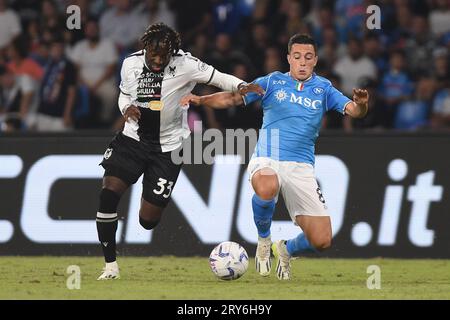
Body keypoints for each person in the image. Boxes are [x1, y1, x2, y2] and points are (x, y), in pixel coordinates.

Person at [181, 34, 369, 280]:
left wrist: (362, 104)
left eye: (308, 57)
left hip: (301, 167)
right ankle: (263, 241)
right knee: (268, 185)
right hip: (267, 158)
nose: (302, 62)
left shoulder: (324, 89)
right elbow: (233, 97)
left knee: (322, 241)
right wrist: (200, 99)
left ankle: (284, 248)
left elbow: (355, 112)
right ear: (289, 58)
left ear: (315, 61)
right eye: (298, 57)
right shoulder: (271, 82)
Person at [96, 22, 261, 280]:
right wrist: (126, 109)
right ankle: (110, 266)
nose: (159, 60)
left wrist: (242, 86)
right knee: (108, 195)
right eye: (154, 54)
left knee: (148, 220)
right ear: (145, 48)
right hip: (132, 140)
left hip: (169, 148)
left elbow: (219, 78)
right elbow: (123, 94)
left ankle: (146, 186)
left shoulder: (187, 64)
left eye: (165, 55)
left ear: (174, 51)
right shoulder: (130, 63)